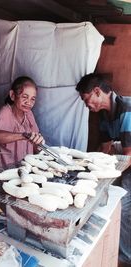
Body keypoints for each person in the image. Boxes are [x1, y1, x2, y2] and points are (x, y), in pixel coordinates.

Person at [76, 73, 131, 267]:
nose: (86, 105)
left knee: (123, 204)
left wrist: (103, 178)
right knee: (104, 196)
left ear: (97, 92)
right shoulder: (104, 116)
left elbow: (128, 156)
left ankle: (124, 258)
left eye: (86, 99)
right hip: (125, 161)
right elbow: (106, 148)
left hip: (129, 161)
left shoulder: (126, 109)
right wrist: (88, 167)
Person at [0, 76, 44, 169]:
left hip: (25, 168)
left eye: (32, 99)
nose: (28, 102)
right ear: (12, 95)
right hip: (6, 170)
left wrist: (39, 144)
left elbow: (34, 144)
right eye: (25, 97)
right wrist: (22, 136)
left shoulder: (28, 113)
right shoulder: (6, 112)